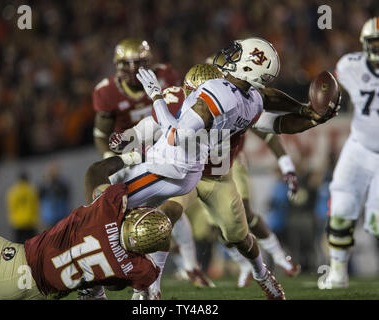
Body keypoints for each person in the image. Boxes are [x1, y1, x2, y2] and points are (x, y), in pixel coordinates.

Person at [86, 37, 340, 299]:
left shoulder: (220, 96)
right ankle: (152, 288)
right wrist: (308, 113)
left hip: (212, 175)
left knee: (238, 237)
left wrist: (155, 96)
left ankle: (262, 274)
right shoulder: (245, 98)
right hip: (190, 173)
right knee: (165, 217)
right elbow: (271, 109)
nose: (190, 95)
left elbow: (176, 133)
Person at [91, 37, 211, 294]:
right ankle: (149, 281)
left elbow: (168, 127)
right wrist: (113, 153)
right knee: (149, 216)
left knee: (110, 210)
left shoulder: (169, 82)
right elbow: (104, 133)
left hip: (167, 158)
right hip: (139, 154)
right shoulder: (108, 92)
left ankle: (125, 280)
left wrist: (156, 96)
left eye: (139, 63)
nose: (134, 69)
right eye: (128, 64)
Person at [0, 179, 181, 299]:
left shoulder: (106, 212)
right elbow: (129, 280)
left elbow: (112, 187)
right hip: (32, 294)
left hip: (15, 264)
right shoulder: (141, 269)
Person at [324, 17, 379, 289]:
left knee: (377, 222)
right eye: (375, 42)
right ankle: (337, 273)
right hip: (358, 146)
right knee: (342, 206)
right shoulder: (350, 66)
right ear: (365, 44)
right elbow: (332, 87)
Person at [5, 171, 40, 243]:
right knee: (32, 245)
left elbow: (11, 206)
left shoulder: (13, 191)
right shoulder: (31, 190)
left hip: (18, 222)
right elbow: (35, 206)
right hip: (29, 221)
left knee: (18, 245)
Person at [39, 162, 71, 229]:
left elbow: (66, 195)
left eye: (54, 171)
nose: (52, 173)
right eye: (51, 171)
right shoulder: (44, 185)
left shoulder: (62, 184)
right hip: (48, 219)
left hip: (62, 217)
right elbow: (39, 196)